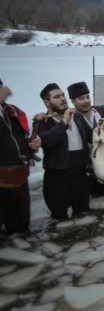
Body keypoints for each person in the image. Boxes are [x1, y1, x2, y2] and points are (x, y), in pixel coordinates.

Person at [38, 83, 91, 220]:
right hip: (57, 178)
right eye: (57, 97)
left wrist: (102, 131)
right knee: (60, 219)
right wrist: (64, 123)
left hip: (80, 175)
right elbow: (47, 142)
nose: (63, 99)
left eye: (63, 95)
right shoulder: (42, 122)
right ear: (47, 102)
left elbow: (91, 136)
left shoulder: (78, 117)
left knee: (84, 215)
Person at [0, 79, 41, 234]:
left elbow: (26, 136)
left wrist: (33, 143)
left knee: (20, 226)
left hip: (19, 177)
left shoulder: (15, 112)